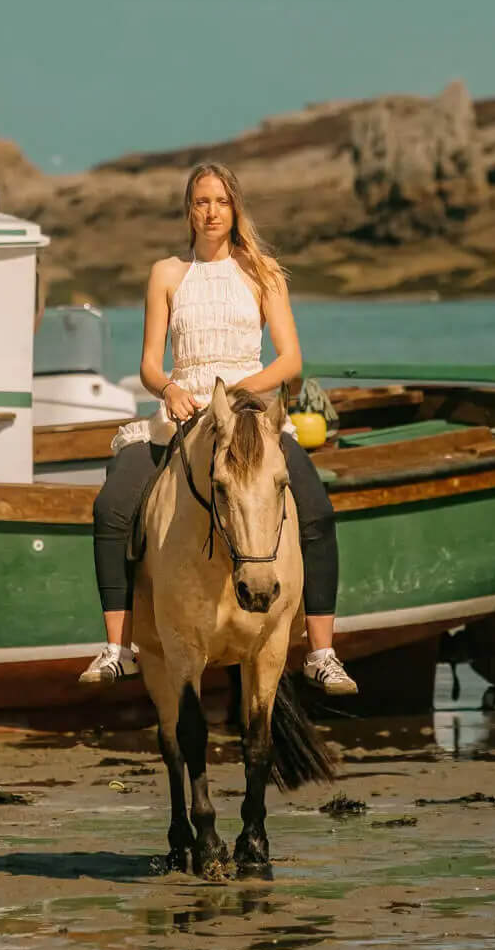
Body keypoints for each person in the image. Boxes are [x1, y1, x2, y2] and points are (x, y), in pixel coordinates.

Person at [79, 162, 357, 696]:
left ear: (235, 209)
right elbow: (149, 365)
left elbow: (290, 360)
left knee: (317, 512)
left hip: (250, 417)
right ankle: (118, 648)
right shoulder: (166, 273)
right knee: (112, 506)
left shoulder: (264, 273)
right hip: (183, 415)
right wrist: (169, 390)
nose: (211, 212)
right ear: (189, 210)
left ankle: (322, 653)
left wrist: (239, 393)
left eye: (221, 202)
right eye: (201, 202)